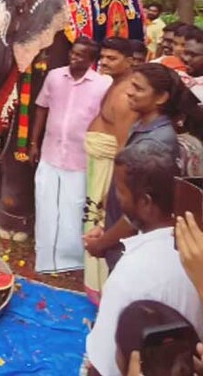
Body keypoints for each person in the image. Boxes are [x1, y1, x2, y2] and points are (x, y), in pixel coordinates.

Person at [84, 142, 203, 376]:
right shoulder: (197, 250)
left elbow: (103, 365)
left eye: (120, 191)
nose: (117, 199)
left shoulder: (130, 276)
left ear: (146, 203)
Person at [87, 63, 190, 277]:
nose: (129, 92)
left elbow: (140, 213)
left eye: (138, 88)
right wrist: (108, 226)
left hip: (132, 246)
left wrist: (103, 243)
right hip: (122, 240)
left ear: (161, 98)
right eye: (131, 85)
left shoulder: (154, 145)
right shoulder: (141, 125)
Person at [28, 37, 111, 274]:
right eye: (73, 53)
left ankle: (69, 259)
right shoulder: (54, 77)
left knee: (73, 208)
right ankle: (44, 252)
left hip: (80, 159)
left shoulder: (102, 85)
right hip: (50, 153)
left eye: (80, 56)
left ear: (91, 60)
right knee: (45, 203)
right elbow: (42, 108)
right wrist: (34, 143)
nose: (74, 58)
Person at [83, 37, 139, 302]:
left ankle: (106, 294)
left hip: (108, 172)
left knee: (101, 226)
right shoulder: (114, 83)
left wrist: (113, 189)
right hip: (98, 167)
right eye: (102, 57)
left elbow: (123, 147)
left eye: (111, 58)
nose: (103, 62)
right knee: (92, 224)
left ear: (130, 61)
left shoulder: (127, 93)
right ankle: (96, 289)